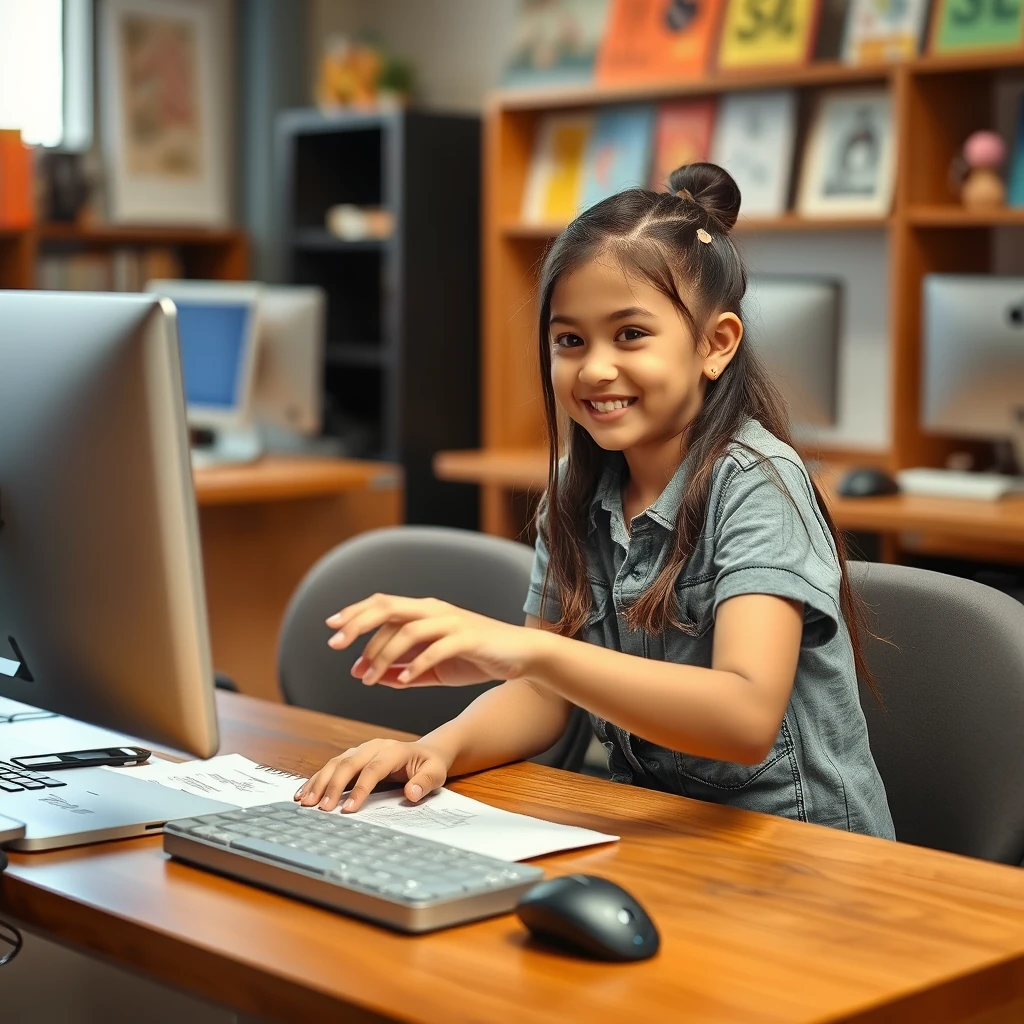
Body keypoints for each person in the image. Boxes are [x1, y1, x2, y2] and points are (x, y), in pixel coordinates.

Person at [295, 162, 894, 839]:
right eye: (569, 340)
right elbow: (544, 694)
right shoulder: (575, 488)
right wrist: (439, 749)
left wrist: (532, 653)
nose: (596, 367)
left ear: (714, 344)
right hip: (659, 831)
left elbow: (745, 716)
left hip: (804, 857)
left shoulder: (758, 484)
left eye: (630, 334)